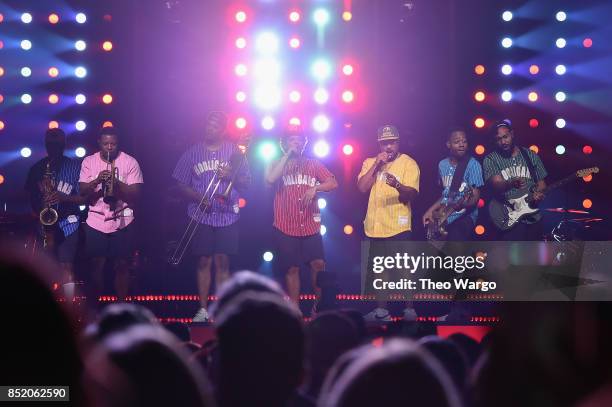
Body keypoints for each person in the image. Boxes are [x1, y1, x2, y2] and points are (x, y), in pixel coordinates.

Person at [172, 111, 250, 322]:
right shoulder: (191, 153)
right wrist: (197, 196)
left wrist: (231, 175)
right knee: (204, 261)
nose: (209, 129)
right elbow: (180, 183)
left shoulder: (235, 152)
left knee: (223, 262)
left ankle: (222, 308)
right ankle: (203, 309)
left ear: (223, 130)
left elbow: (246, 183)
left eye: (214, 126)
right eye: (207, 125)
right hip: (200, 215)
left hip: (227, 215)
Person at [265, 127, 338, 304]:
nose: (296, 143)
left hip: (310, 223)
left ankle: (318, 307)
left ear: (305, 143)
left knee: (318, 264)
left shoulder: (313, 164)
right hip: (285, 224)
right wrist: (286, 155)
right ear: (284, 144)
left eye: (299, 140)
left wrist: (316, 188)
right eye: (292, 140)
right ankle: (295, 309)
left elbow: (333, 182)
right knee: (292, 269)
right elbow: (270, 180)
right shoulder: (275, 163)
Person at [357, 125, 419, 321]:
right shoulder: (370, 162)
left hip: (398, 225)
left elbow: (413, 194)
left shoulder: (408, 163)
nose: (388, 147)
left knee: (403, 269)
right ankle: (381, 311)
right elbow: (361, 187)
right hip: (375, 226)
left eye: (392, 142)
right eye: (384, 143)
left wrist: (398, 185)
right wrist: (376, 164)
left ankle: (409, 310)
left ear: (398, 142)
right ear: (379, 144)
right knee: (380, 270)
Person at [79, 126, 143, 303]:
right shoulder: (89, 161)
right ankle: (95, 307)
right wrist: (98, 180)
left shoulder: (130, 162)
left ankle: (121, 306)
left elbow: (136, 193)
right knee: (96, 264)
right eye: (106, 143)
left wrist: (117, 183)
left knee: (122, 264)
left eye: (113, 144)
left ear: (118, 144)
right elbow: (82, 190)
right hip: (96, 220)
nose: (109, 147)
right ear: (99, 143)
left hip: (122, 219)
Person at [24, 128, 85, 297]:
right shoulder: (37, 169)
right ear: (45, 145)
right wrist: (40, 212)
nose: (54, 149)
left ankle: (69, 306)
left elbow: (85, 199)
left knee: (67, 266)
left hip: (69, 223)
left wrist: (64, 198)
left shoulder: (75, 167)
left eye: (57, 145)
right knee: (45, 268)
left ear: (64, 145)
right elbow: (29, 198)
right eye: (51, 145)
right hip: (45, 224)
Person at [483, 119, 547, 240]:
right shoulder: (490, 159)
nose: (503, 142)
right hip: (508, 216)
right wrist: (511, 183)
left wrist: (539, 193)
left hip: (533, 216)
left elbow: (542, 184)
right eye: (498, 139)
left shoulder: (530, 155)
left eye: (505, 137)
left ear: (512, 134)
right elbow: (497, 185)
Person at [423, 128, 483, 241]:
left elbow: (475, 198)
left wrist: (464, 203)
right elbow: (446, 194)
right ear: (448, 144)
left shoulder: (473, 165)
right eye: (457, 142)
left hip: (464, 217)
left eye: (464, 141)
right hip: (444, 216)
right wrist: (430, 211)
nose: (461, 145)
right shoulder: (442, 164)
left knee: (456, 252)